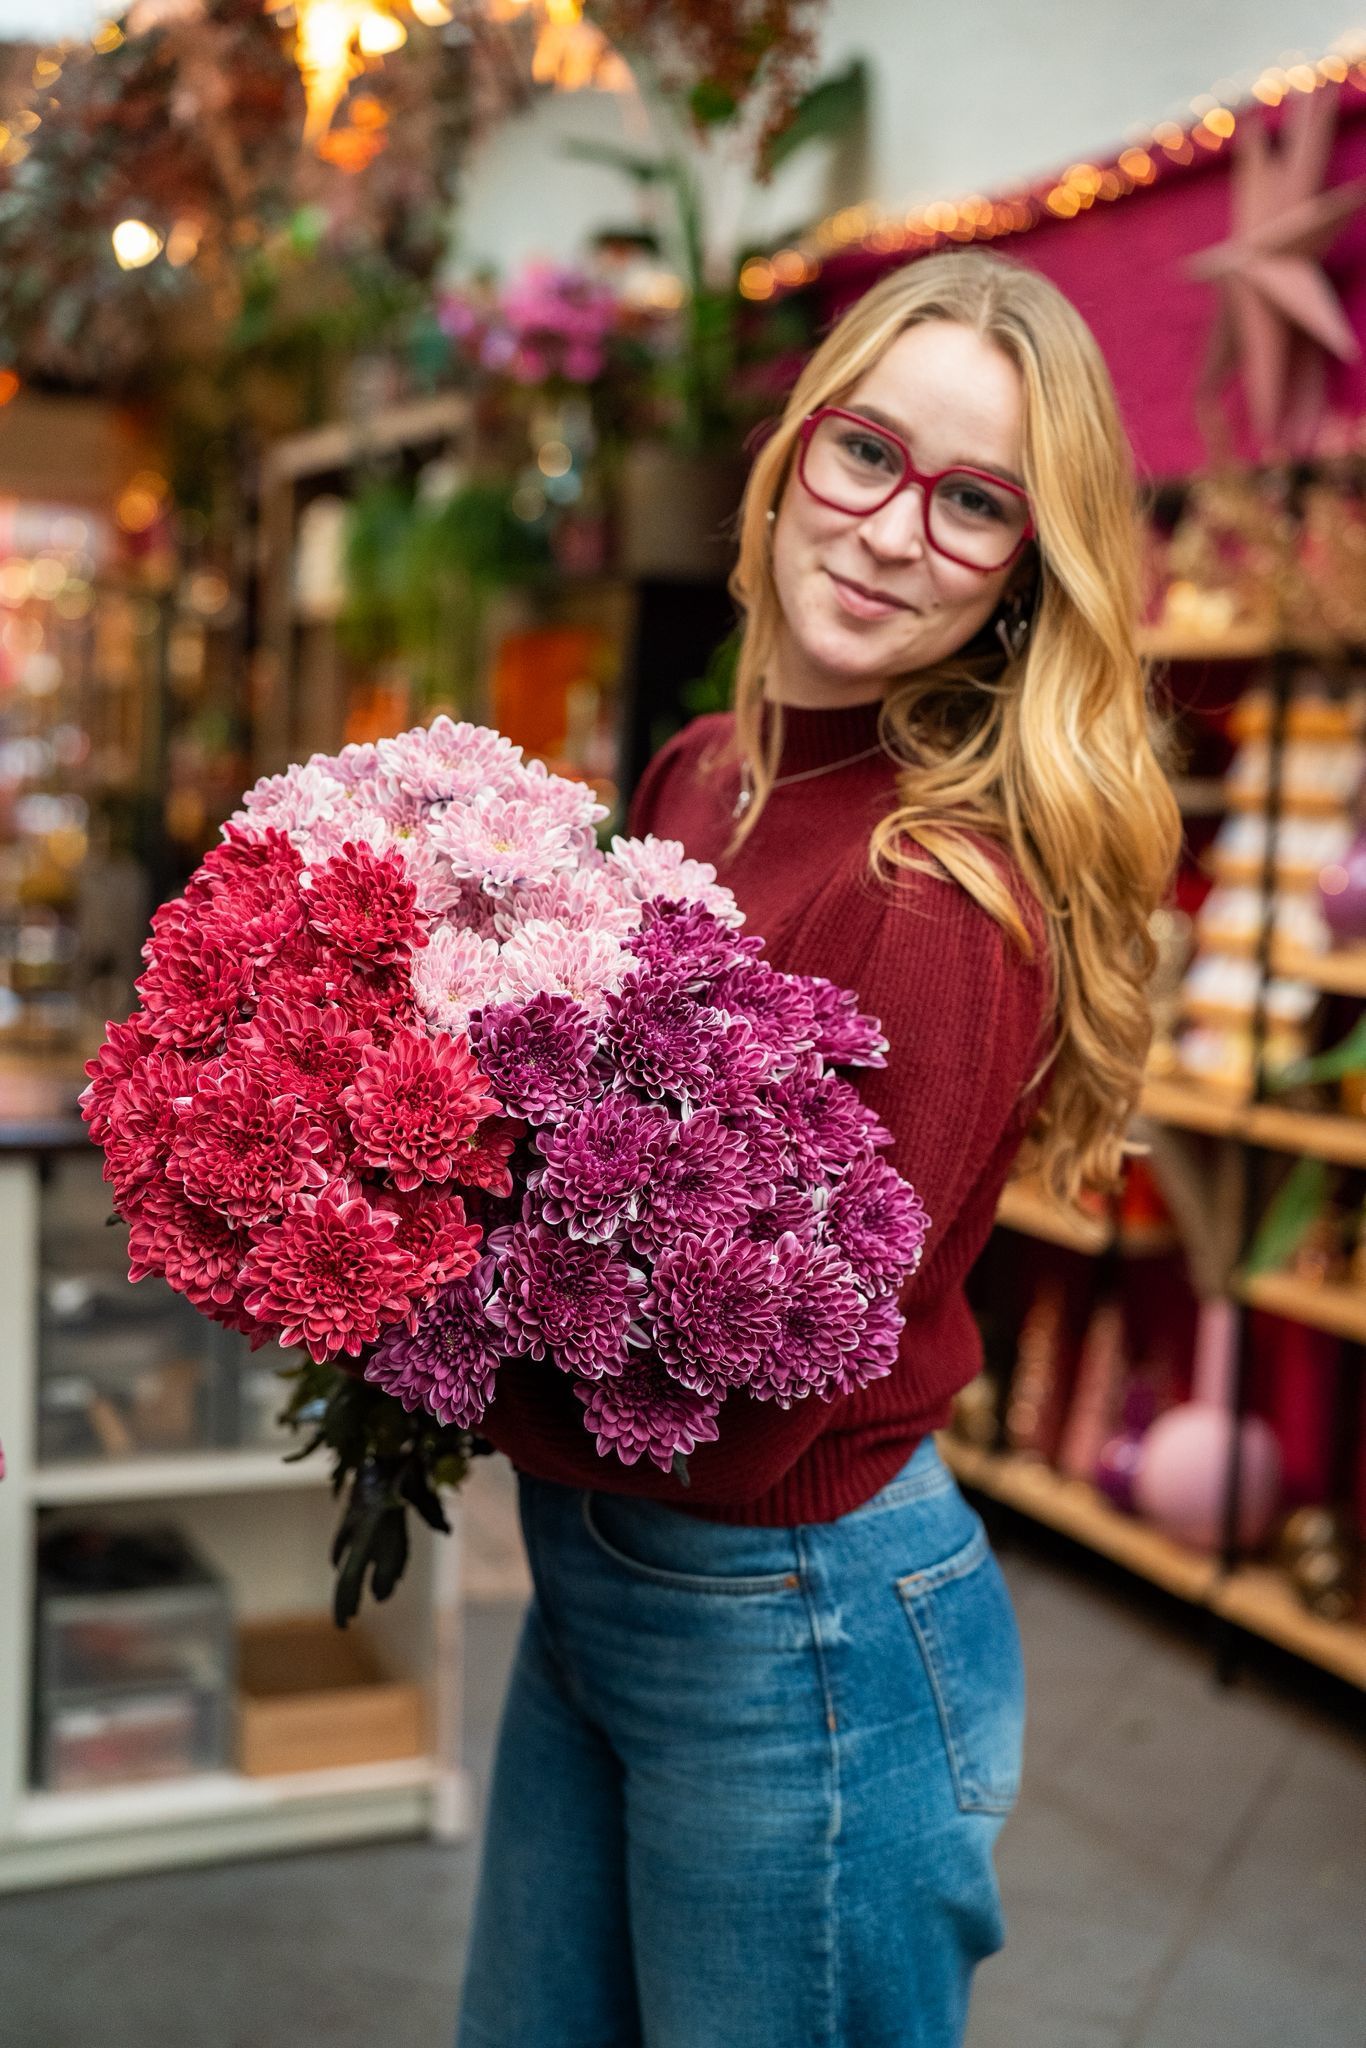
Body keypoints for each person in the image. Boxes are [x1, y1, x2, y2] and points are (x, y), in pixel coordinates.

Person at [457, 248, 1180, 2048]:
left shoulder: (927, 894)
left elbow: (768, 1384)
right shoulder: (706, 769)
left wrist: (434, 1324)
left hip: (797, 1622)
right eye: (868, 454)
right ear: (791, 453)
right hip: (604, 1560)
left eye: (976, 502)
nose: (890, 530)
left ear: (1025, 569)